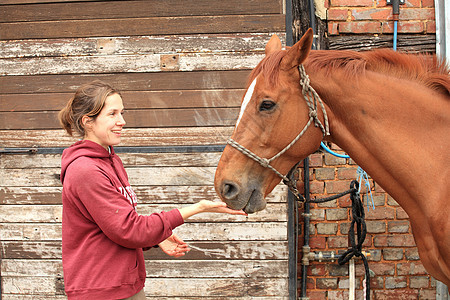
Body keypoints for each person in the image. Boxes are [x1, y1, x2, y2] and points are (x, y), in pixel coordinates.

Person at [58, 80, 246, 299]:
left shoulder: (110, 161)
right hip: (102, 290)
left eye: (122, 113)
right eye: (113, 114)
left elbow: (116, 224)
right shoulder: (86, 170)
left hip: (122, 285)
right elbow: (129, 229)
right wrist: (197, 208)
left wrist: (155, 238)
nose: (122, 121)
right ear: (87, 121)